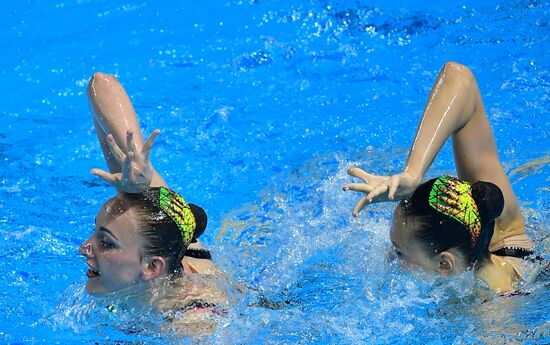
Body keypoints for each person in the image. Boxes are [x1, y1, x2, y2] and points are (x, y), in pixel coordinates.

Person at [343, 62, 537, 295]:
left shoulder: (493, 321)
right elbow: (459, 78)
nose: (387, 258)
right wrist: (412, 173)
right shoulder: (506, 230)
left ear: (444, 264)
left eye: (399, 253)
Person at [79, 72, 228, 335]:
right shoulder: (169, 227)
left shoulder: (192, 325)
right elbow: (101, 84)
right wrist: (136, 162)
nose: (84, 249)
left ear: (151, 267)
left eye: (106, 242)